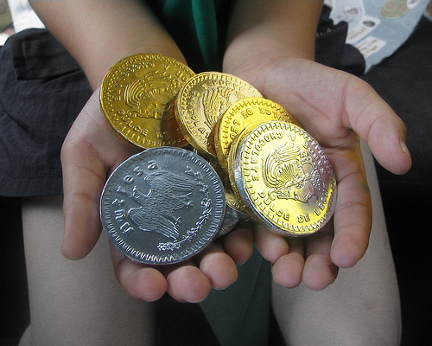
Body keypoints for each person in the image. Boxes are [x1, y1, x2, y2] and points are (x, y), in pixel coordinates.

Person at [0, 0, 410, 344]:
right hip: (85, 39)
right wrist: (130, 60)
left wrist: (271, 51)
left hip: (285, 45)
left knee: (361, 336)